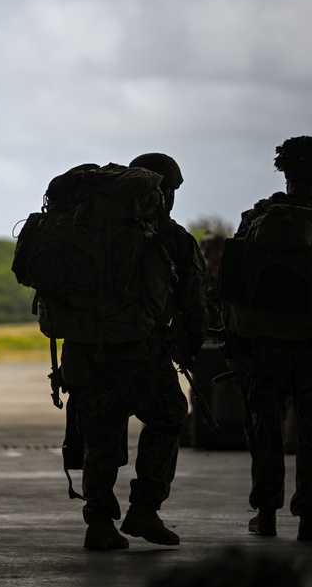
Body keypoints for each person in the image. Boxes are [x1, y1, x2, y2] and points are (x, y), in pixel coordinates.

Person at [62, 153, 206, 551]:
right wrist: (191, 350)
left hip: (88, 353)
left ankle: (100, 522)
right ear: (167, 191)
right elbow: (193, 303)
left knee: (101, 436)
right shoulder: (171, 239)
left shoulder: (85, 229)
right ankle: (144, 509)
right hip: (144, 356)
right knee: (170, 415)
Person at [230, 136, 312, 542]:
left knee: (264, 427)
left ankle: (265, 515)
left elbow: (232, 284)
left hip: (264, 342)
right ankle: (311, 519)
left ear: (283, 170)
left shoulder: (256, 218)